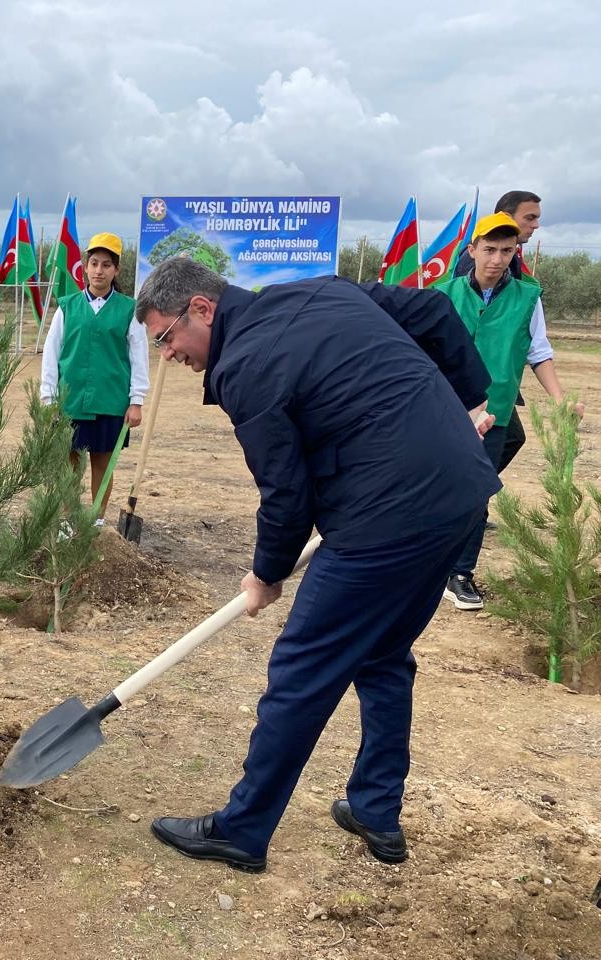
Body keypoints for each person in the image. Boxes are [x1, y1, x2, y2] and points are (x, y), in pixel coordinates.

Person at [135, 258, 498, 873]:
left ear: (202, 308)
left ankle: (242, 830)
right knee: (382, 654)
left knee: (302, 667)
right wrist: (469, 402)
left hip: (386, 517)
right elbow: (434, 312)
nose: (168, 354)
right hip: (461, 494)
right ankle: (375, 808)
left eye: (166, 337)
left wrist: (265, 575)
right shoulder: (320, 289)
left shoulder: (246, 365)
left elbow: (285, 494)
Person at [436, 212, 585, 611]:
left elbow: (539, 353)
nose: (497, 259)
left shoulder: (527, 298)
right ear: (472, 250)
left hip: (495, 413)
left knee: (477, 493)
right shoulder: (442, 293)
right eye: (489, 249)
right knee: (432, 487)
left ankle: (459, 574)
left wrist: (559, 400)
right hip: (444, 411)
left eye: (507, 250)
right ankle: (422, 559)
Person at [39, 232, 148, 520]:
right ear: (86, 267)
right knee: (69, 465)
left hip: (110, 401)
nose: (99, 270)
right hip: (70, 400)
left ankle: (97, 522)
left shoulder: (129, 311)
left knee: (102, 463)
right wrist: (48, 397)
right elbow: (51, 355)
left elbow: (139, 357)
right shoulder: (67, 307)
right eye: (94, 263)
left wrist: (136, 400)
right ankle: (67, 522)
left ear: (116, 270)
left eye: (106, 265)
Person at [454, 190, 543, 474]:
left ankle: (479, 502)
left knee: (503, 441)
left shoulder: (514, 269)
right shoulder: (474, 267)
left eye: (506, 251)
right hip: (470, 388)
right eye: (529, 218)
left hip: (496, 384)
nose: (535, 225)